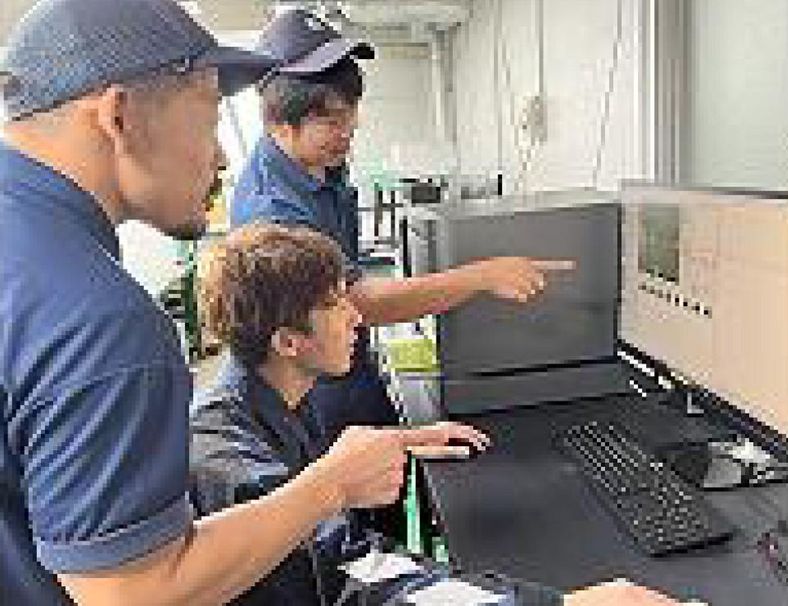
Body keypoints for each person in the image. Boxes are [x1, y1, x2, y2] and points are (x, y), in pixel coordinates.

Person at [0, 1, 495, 604]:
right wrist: (330, 486)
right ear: (118, 115)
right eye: (210, 115)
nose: (221, 157)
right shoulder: (98, 319)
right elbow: (137, 593)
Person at [190, 223, 680, 606]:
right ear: (287, 342)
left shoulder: (270, 398)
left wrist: (395, 443)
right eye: (335, 305)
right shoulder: (228, 459)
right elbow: (356, 572)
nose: (356, 316)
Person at [232, 8, 575, 443]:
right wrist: (482, 276)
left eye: (351, 113)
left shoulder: (321, 165)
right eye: (332, 120)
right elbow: (359, 302)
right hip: (312, 394)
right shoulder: (274, 211)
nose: (349, 129)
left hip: (347, 366)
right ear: (278, 122)